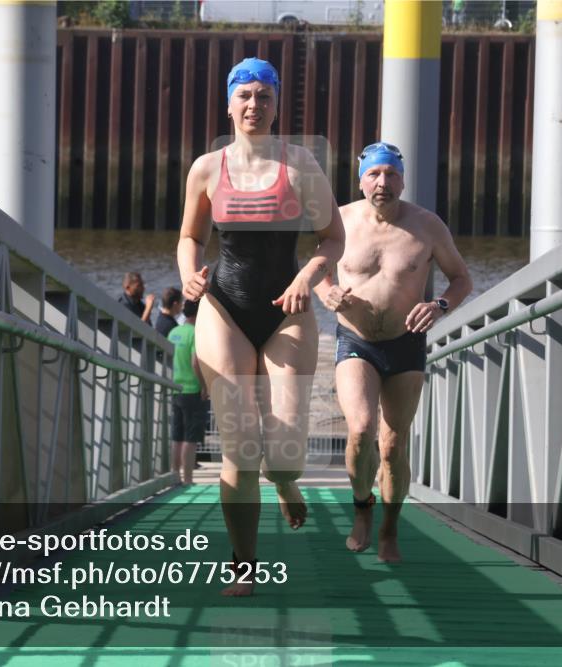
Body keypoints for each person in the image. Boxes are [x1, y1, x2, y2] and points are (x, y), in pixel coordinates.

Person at [178, 57, 344, 596]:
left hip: (286, 310)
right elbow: (190, 238)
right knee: (239, 442)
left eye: (264, 96)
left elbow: (332, 239)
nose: (254, 105)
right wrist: (187, 275)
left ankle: (286, 483)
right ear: (229, 104)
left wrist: (309, 278)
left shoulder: (300, 166)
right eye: (244, 95)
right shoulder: (207, 168)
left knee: (284, 447)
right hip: (224, 305)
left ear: (276, 105)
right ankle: (243, 567)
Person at [316, 142, 471, 563]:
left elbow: (460, 279)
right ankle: (362, 506)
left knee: (392, 445)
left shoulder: (427, 225)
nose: (383, 183)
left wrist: (439, 305)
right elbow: (315, 269)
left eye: (391, 174)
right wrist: (327, 290)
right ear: (361, 179)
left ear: (402, 179)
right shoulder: (340, 221)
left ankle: (389, 528)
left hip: (406, 344)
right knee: (362, 429)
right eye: (374, 175)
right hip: (356, 341)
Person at [168, 300, 206, 485]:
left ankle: (174, 476)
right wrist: (204, 386)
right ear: (198, 314)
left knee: (177, 435)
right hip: (192, 389)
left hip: (175, 388)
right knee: (190, 438)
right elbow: (195, 362)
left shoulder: (174, 332)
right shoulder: (196, 333)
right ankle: (188, 479)